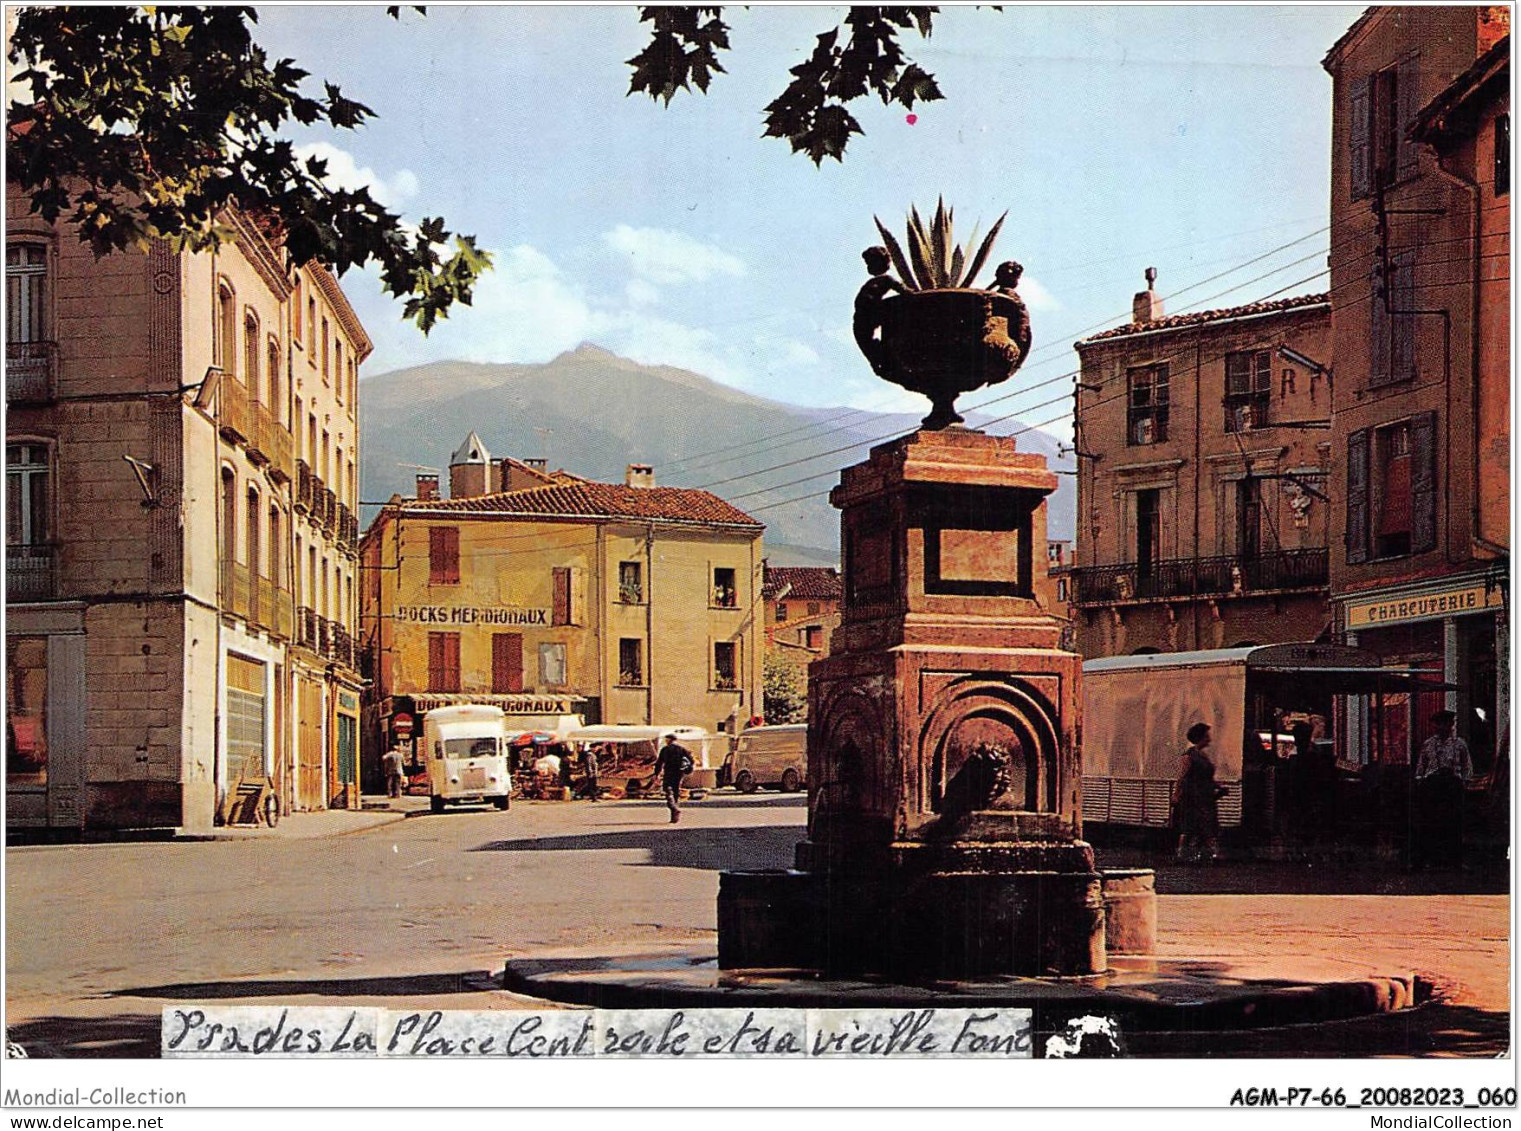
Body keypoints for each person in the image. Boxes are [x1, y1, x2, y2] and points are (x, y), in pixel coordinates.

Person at [1413, 709, 1473, 869]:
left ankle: (1455, 860)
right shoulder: (1428, 744)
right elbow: (1421, 767)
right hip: (1433, 786)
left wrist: (1464, 783)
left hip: (1452, 786)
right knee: (1432, 822)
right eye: (1438, 724)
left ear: (1451, 725)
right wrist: (1421, 780)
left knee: (1453, 823)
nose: (1441, 727)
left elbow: (1467, 766)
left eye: (1446, 724)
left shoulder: (1459, 744)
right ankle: (1432, 859)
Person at [1173, 722, 1226, 863]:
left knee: (1207, 824)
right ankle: (1183, 853)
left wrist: (1218, 787)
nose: (1209, 738)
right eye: (1207, 735)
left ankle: (1208, 853)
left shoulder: (1202, 755)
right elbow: (1182, 776)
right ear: (1201, 737)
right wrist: (1177, 794)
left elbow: (1206, 777)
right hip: (1193, 796)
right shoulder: (1189, 755)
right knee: (1190, 825)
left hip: (1205, 796)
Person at [650, 733, 694, 824]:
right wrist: (686, 768)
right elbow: (691, 760)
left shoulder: (665, 749)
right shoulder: (682, 749)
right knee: (676, 791)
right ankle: (675, 815)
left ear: (668, 740)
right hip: (679, 773)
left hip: (669, 772)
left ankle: (674, 808)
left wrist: (656, 774)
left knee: (668, 790)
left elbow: (659, 763)